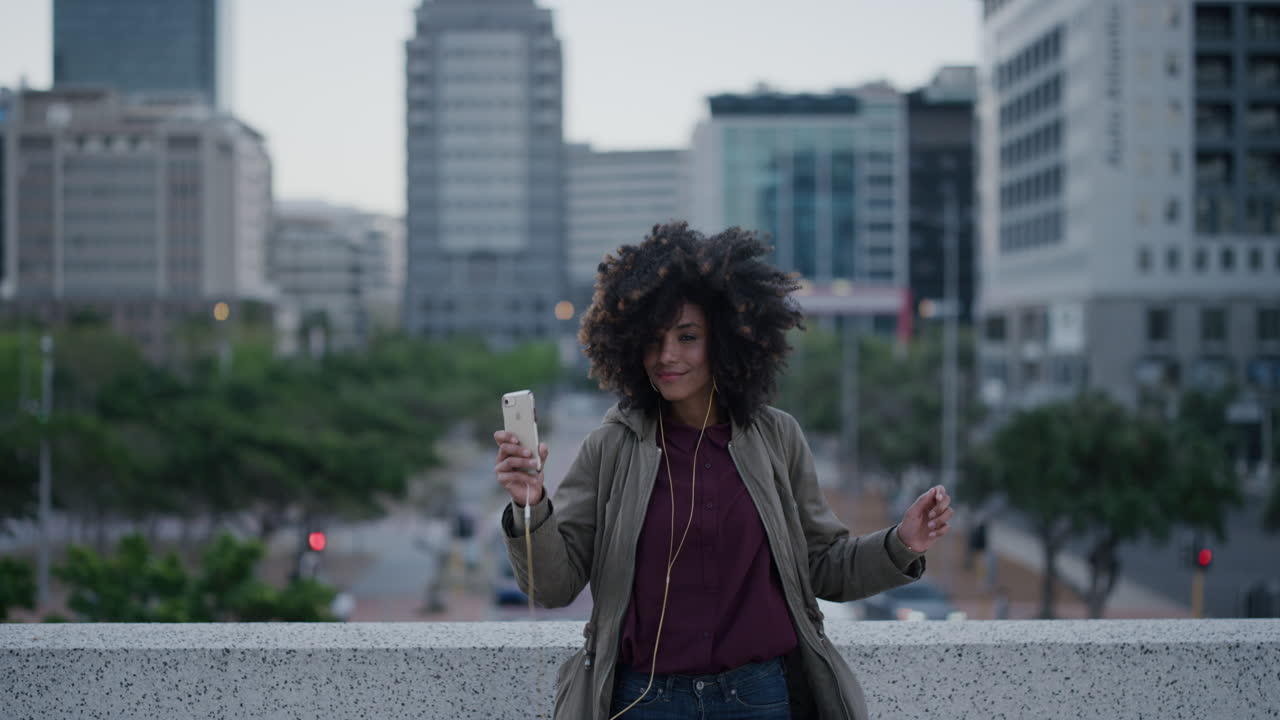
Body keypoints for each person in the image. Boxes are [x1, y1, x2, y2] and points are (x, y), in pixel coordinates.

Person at [494, 222, 954, 720]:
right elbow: (553, 586)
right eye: (653, 339)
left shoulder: (777, 438)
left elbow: (821, 565)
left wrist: (901, 544)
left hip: (759, 698)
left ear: (728, 340)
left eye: (688, 337)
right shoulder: (611, 445)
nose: (666, 355)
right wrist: (531, 505)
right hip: (644, 702)